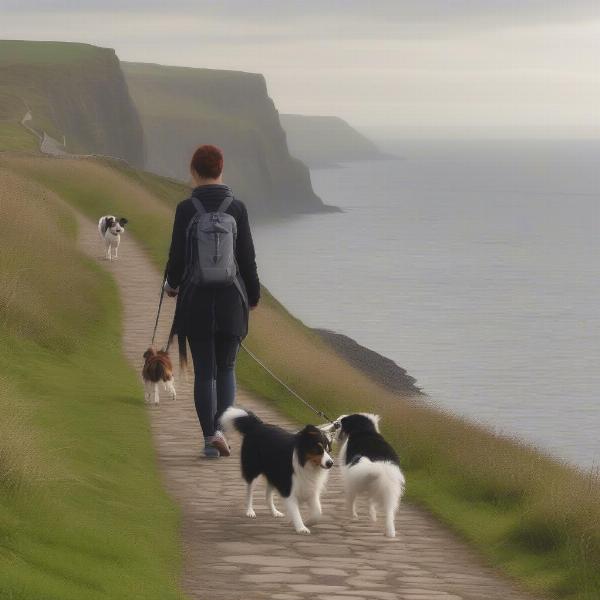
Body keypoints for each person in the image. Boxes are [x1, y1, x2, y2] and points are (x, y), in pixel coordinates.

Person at [165, 144, 260, 458]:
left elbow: (177, 256)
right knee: (227, 368)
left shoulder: (185, 209)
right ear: (221, 170)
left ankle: (210, 438)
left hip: (197, 301)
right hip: (232, 301)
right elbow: (247, 258)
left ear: (193, 171)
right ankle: (221, 430)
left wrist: (172, 284)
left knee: (205, 371)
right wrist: (254, 296)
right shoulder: (238, 208)